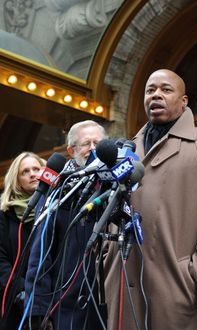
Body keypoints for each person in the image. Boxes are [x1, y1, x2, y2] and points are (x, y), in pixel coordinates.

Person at [103, 69, 197, 330]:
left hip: (182, 300)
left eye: (166, 89)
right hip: (124, 296)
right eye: (150, 90)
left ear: (184, 101)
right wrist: (107, 263)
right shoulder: (125, 152)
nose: (156, 94)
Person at [24, 120, 107, 329]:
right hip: (68, 306)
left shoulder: (116, 184)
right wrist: (38, 309)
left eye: (99, 143)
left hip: (109, 302)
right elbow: (41, 254)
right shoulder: (59, 190)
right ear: (71, 150)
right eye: (86, 144)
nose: (93, 149)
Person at [0, 152, 44, 329]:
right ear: (17, 180)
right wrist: (19, 292)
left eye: (36, 168)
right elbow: (1, 260)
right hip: (16, 300)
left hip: (50, 297)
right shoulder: (5, 213)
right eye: (25, 171)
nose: (33, 174)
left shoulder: (57, 205)